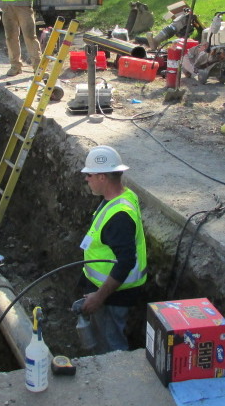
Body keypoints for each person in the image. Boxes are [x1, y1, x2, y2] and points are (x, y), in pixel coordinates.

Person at [77, 145, 147, 353]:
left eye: (89, 175)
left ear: (102, 177)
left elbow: (125, 261)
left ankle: (117, 378)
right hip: (108, 289)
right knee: (107, 336)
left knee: (111, 343)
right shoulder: (123, 197)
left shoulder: (119, 216)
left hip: (113, 294)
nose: (86, 179)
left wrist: (99, 296)